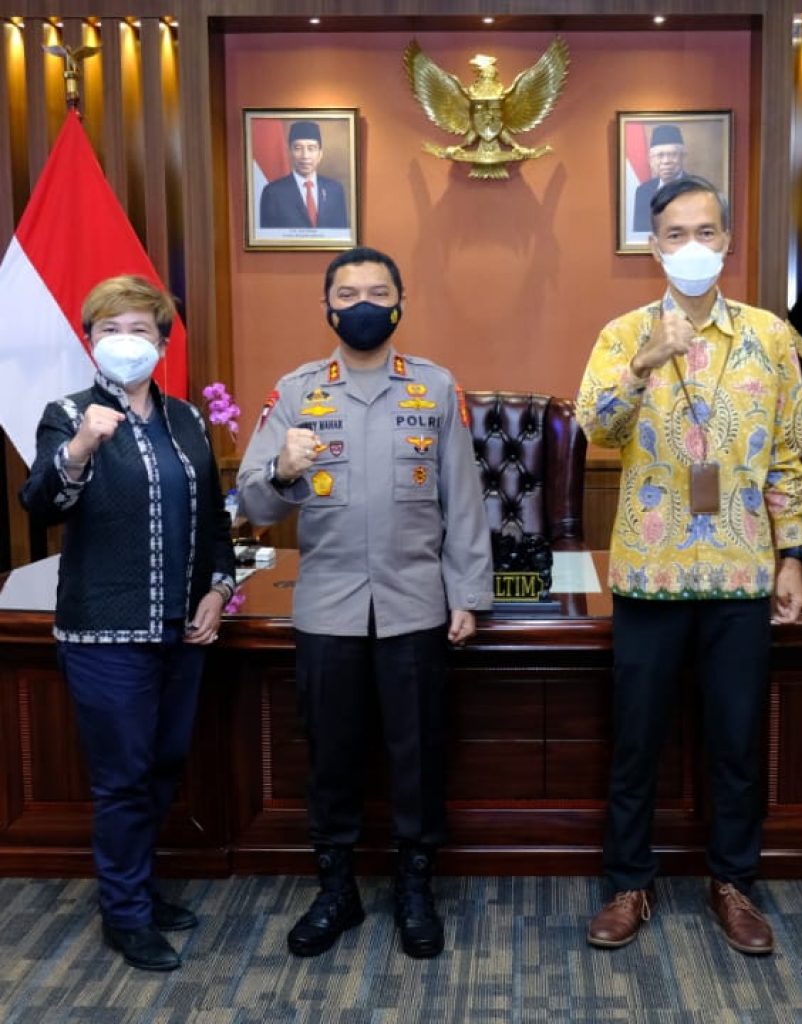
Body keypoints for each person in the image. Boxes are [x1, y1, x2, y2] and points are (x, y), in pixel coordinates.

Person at [235, 246, 492, 961]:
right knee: (331, 755)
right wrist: (282, 468)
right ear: (327, 308)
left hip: (416, 604)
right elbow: (252, 503)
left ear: (400, 302)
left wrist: (469, 593)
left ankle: (415, 886)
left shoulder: (434, 388)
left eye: (378, 292)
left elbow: (463, 500)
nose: (363, 305)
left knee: (418, 753)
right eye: (347, 294)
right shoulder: (297, 392)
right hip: (328, 607)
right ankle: (336, 889)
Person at [577, 175, 802, 956]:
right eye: (676, 235)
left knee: (737, 741)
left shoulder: (769, 337)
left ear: (728, 240)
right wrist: (645, 363)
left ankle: (734, 882)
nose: (693, 247)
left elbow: (786, 456)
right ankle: (628, 883)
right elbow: (594, 427)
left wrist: (792, 554)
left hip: (742, 573)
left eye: (706, 232)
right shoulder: (622, 335)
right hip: (651, 576)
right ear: (654, 247)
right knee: (637, 741)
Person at [19, 275, 236, 972]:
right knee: (122, 779)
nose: (125, 341)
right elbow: (40, 502)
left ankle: (136, 888)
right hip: (104, 635)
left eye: (140, 329)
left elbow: (213, 520)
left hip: (183, 631)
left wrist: (218, 590)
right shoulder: (67, 413)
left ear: (163, 344)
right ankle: (125, 914)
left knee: (164, 767)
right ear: (89, 341)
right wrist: (81, 446)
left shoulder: (187, 419)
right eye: (110, 329)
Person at [259, 120, 349, 230]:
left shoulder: (335, 190)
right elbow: (268, 236)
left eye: (311, 148)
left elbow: (342, 233)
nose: (305, 156)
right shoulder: (273, 193)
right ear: (289, 152)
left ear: (320, 154)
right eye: (298, 148)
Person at [632, 124, 687, 234]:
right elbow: (640, 233)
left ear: (682, 157)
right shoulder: (643, 191)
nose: (666, 161)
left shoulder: (698, 189)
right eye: (660, 156)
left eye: (672, 155)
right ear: (651, 160)